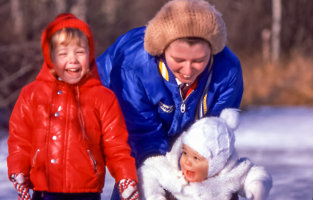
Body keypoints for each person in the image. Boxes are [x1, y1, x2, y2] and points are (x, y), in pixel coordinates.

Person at [96, 0, 244, 198]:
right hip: (108, 114)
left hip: (178, 121)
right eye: (179, 60)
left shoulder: (228, 71)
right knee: (142, 180)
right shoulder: (134, 65)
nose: (188, 70)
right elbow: (142, 139)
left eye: (199, 60)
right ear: (162, 51)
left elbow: (212, 137)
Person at [7, 13, 138, 200]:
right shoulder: (33, 94)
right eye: (63, 53)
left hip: (87, 192)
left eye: (80, 52)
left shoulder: (102, 97)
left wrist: (126, 176)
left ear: (90, 53)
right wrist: (19, 169)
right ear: (50, 57)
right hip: (44, 190)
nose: (73, 59)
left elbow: (116, 145)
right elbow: (20, 138)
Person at [138, 108, 273, 200]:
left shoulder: (229, 176)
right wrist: (154, 196)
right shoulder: (171, 171)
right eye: (185, 153)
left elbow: (254, 173)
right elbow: (148, 171)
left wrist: (257, 186)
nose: (187, 161)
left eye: (196, 158)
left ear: (216, 163)